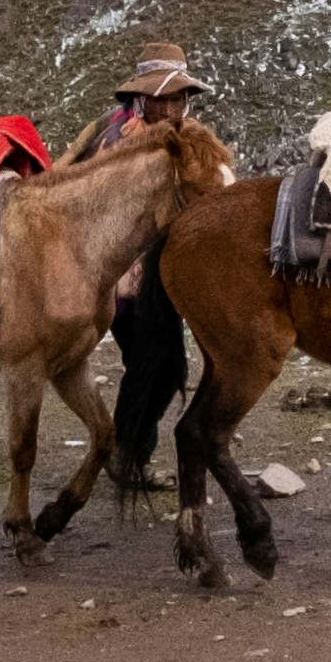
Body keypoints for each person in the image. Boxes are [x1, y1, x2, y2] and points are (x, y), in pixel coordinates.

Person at [62, 42, 214, 478]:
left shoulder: (185, 137)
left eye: (178, 97)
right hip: (122, 276)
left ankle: (126, 452)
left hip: (161, 274)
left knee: (160, 365)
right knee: (158, 365)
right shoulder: (117, 142)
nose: (172, 107)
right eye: (162, 98)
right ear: (142, 99)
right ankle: (126, 456)